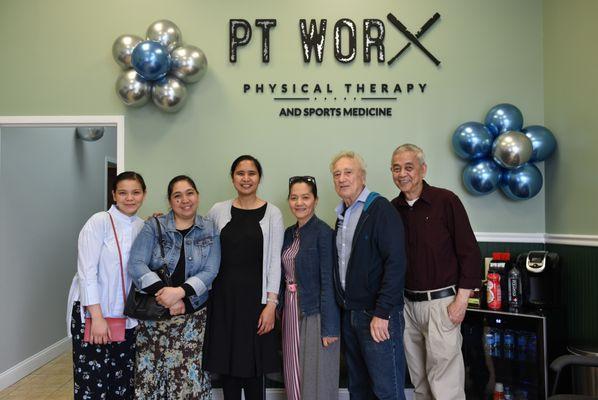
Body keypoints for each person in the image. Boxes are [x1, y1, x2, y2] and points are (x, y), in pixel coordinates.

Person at [390, 144, 482, 400]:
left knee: (445, 385)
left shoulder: (446, 201)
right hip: (407, 306)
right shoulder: (391, 209)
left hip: (442, 304)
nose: (402, 174)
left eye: (409, 167)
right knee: (420, 383)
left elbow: (470, 253)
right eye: (396, 168)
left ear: (423, 169)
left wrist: (461, 301)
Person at [128, 175, 220, 399]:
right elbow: (136, 264)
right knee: (153, 380)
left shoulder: (210, 227)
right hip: (155, 319)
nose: (184, 200)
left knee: (189, 381)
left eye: (189, 193)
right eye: (177, 196)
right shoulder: (154, 225)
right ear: (170, 201)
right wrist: (165, 294)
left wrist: (180, 295)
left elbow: (211, 270)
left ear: (197, 196)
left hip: (193, 318)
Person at [204, 155, 283, 400]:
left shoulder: (273, 213)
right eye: (240, 173)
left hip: (256, 304)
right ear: (232, 178)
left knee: (253, 369)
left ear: (259, 178)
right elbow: (200, 242)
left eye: (251, 173)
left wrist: (271, 304)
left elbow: (274, 263)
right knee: (228, 367)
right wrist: (161, 221)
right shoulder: (218, 210)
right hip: (223, 302)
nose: (246, 178)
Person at [330, 151, 407, 400]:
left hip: (377, 316)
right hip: (351, 315)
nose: (342, 179)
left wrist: (382, 313)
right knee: (359, 390)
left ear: (362, 176)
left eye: (348, 172)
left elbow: (396, 263)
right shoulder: (342, 215)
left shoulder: (380, 209)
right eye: (337, 174)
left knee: (387, 391)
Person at [66, 171, 147, 400]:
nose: (129, 198)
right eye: (123, 193)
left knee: (123, 384)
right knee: (93, 385)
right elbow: (87, 272)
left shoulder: (143, 226)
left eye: (136, 192)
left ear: (144, 195)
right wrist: (97, 318)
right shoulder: (99, 221)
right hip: (95, 315)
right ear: (114, 195)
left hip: (127, 318)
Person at [279, 176, 340, 400]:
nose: (299, 203)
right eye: (294, 197)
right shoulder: (288, 233)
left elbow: (328, 280)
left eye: (305, 197)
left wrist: (330, 327)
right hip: (290, 311)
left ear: (315, 200)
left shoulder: (324, 233)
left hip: (314, 312)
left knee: (317, 375)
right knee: (293, 372)